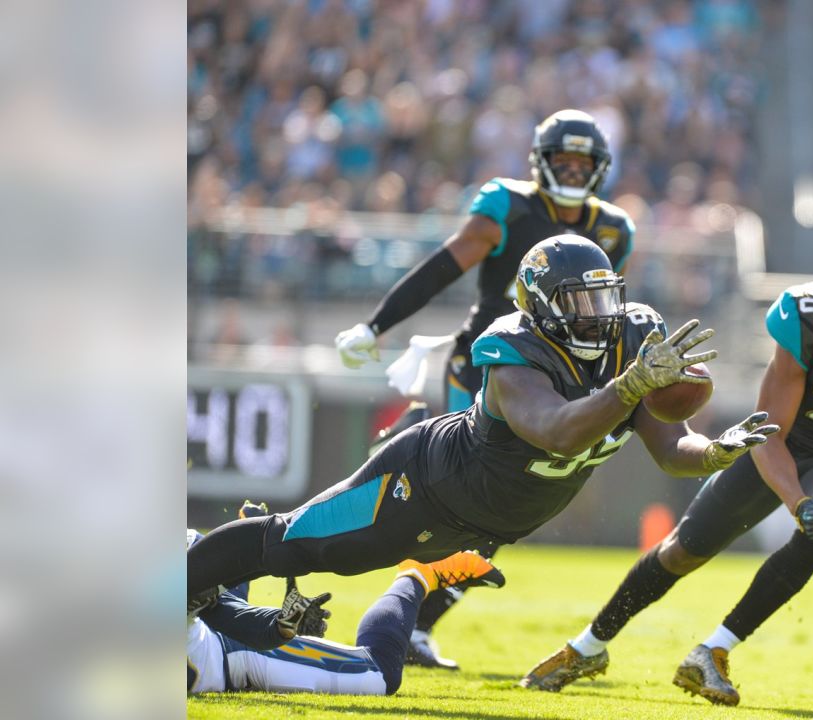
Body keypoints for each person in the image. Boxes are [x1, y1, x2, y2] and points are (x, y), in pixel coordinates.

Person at [189, 236, 780, 645]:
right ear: (543, 306)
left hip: (484, 526)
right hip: (422, 486)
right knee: (298, 545)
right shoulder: (512, 349)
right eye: (580, 302)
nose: (599, 316)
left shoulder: (633, 338)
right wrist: (630, 384)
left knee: (330, 559)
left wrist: (715, 452)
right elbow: (559, 432)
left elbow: (669, 445)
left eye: (605, 298)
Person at [521, 207, 813, 707]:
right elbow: (770, 429)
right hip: (783, 443)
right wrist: (798, 502)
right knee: (682, 551)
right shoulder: (809, 315)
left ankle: (713, 650)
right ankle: (588, 646)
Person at [333, 108, 636, 668]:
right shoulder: (507, 205)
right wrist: (378, 324)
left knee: (493, 518)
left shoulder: (614, 228)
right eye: (562, 160)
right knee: (465, 501)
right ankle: (411, 446)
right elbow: (445, 265)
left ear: (600, 168)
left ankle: (418, 625)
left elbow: (603, 321)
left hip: (551, 377)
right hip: (489, 364)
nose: (572, 171)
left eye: (582, 162)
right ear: (539, 162)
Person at [188, 528, 505, 695]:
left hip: (228, 655)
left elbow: (223, 614)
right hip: (213, 642)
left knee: (381, 674)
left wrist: (280, 626)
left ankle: (421, 574)